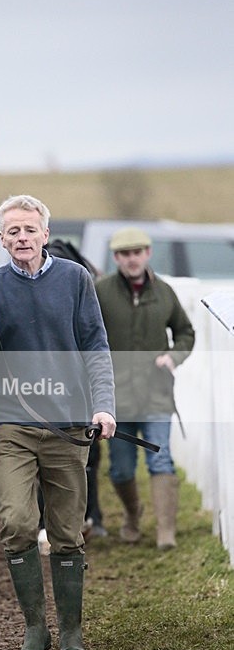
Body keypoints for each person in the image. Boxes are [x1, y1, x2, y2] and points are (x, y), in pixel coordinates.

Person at [0, 195, 116, 650]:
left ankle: (71, 633)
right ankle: (35, 630)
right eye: (12, 232)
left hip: (70, 427)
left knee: (68, 532)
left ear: (45, 234)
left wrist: (104, 406)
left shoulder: (75, 279)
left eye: (29, 230)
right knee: (16, 522)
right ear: (1, 240)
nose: (22, 238)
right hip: (14, 426)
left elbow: (95, 344)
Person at [95, 227, 195, 550]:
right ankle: (132, 515)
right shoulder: (101, 292)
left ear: (148, 253)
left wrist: (173, 356)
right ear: (116, 258)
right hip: (117, 399)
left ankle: (166, 532)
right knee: (121, 468)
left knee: (160, 460)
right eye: (125, 254)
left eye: (137, 252)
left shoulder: (165, 292)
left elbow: (185, 332)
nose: (132, 259)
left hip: (156, 395)